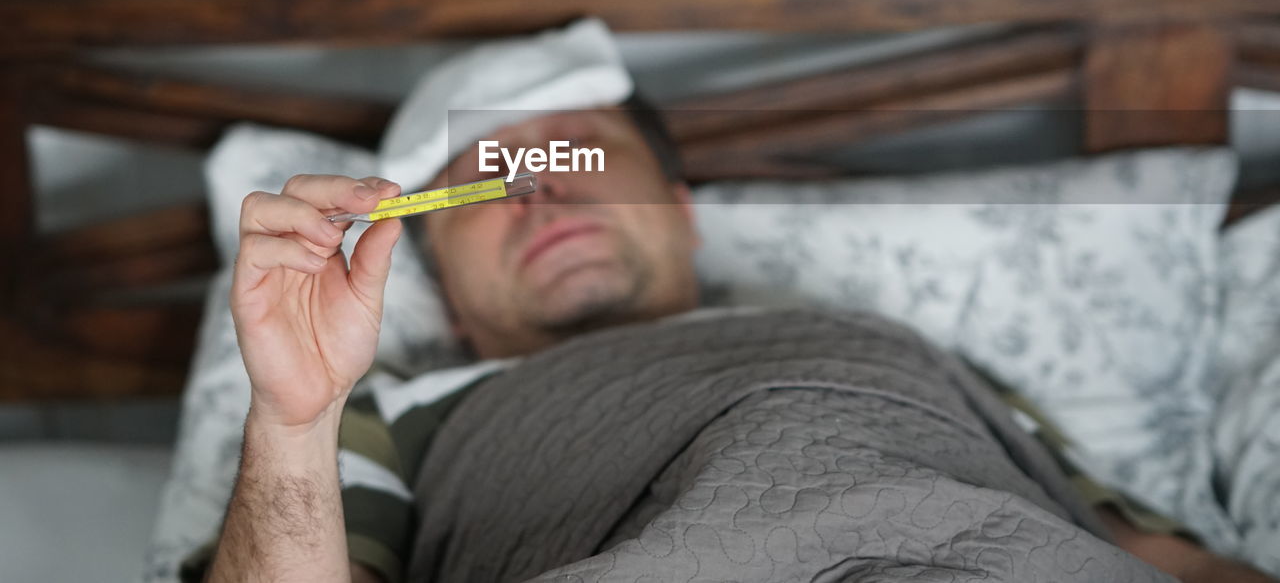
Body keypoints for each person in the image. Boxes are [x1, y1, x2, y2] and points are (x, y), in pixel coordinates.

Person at [202, 97, 1275, 583]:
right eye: (482, 182)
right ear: (437, 272)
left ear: (679, 204)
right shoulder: (390, 409)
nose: (533, 184)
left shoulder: (880, 342)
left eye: (573, 150)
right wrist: (291, 419)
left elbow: (1147, 550)